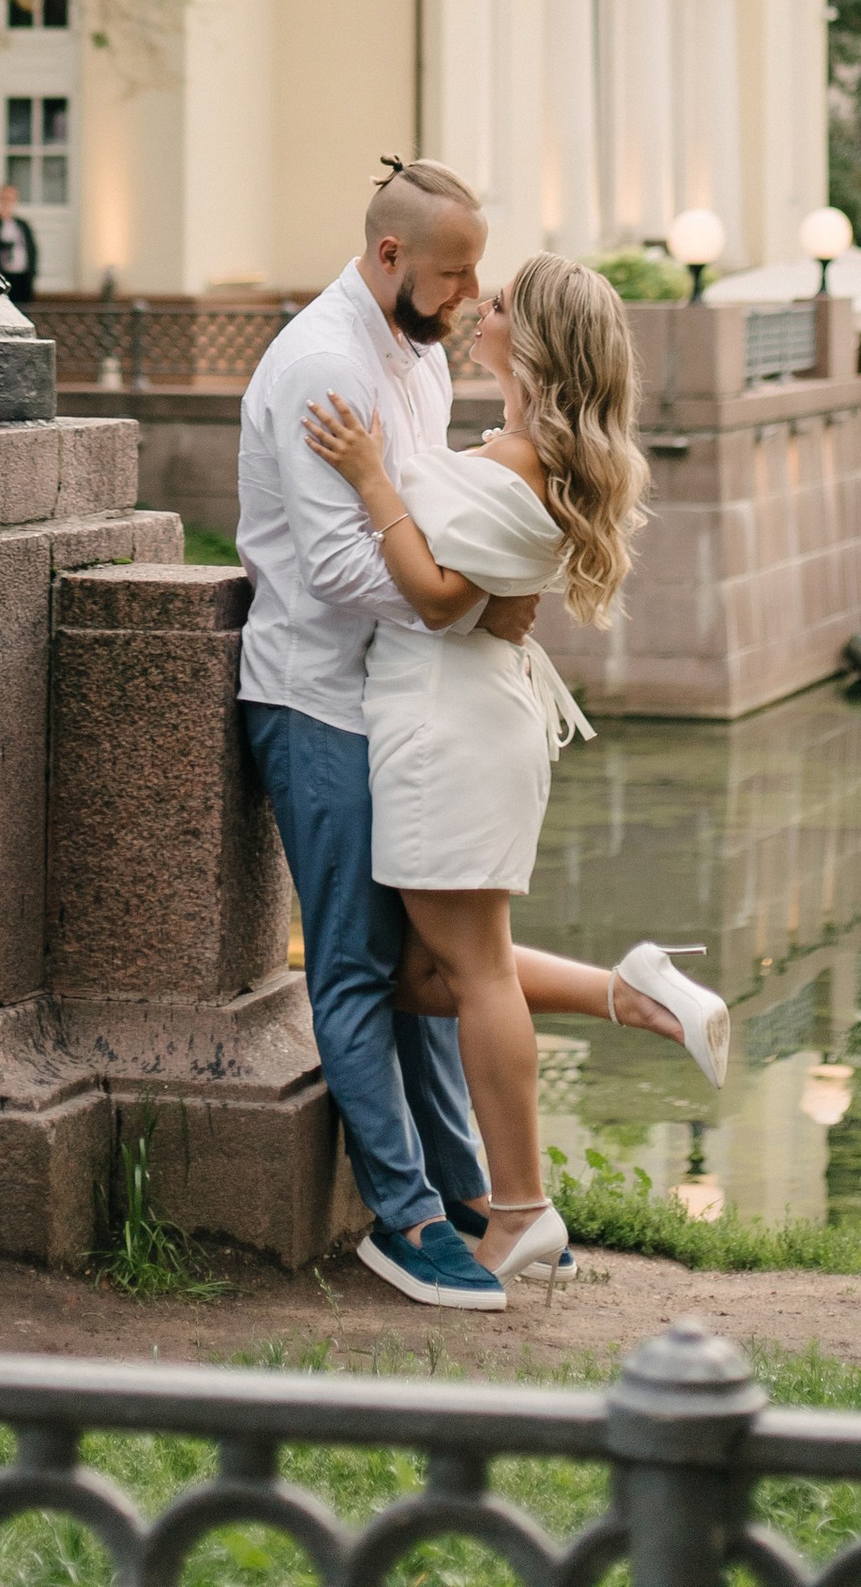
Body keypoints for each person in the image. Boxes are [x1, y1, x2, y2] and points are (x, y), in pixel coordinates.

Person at [305, 253, 728, 1305]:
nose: (475, 309)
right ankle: (630, 994)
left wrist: (368, 476)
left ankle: (521, 1210)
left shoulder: (509, 464)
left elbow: (439, 597)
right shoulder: (516, 457)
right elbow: (478, 591)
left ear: (529, 344)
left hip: (451, 733)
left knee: (465, 976)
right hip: (455, 722)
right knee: (419, 972)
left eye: (494, 305)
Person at [236, 159, 524, 1309]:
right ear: (390, 255)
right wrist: (465, 592)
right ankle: (400, 1218)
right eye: (453, 274)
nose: (467, 296)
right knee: (354, 967)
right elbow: (343, 566)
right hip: (314, 702)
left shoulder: (414, 352)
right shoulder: (319, 363)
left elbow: (419, 504)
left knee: (434, 965)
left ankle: (458, 1187)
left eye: (475, 276)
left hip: (398, 699)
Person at [0, 182, 37, 307]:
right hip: (0, 277)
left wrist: (31, 275)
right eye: (5, 198)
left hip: (21, 278)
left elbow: (31, 250)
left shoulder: (22, 224)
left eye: (11, 199)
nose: (7, 202)